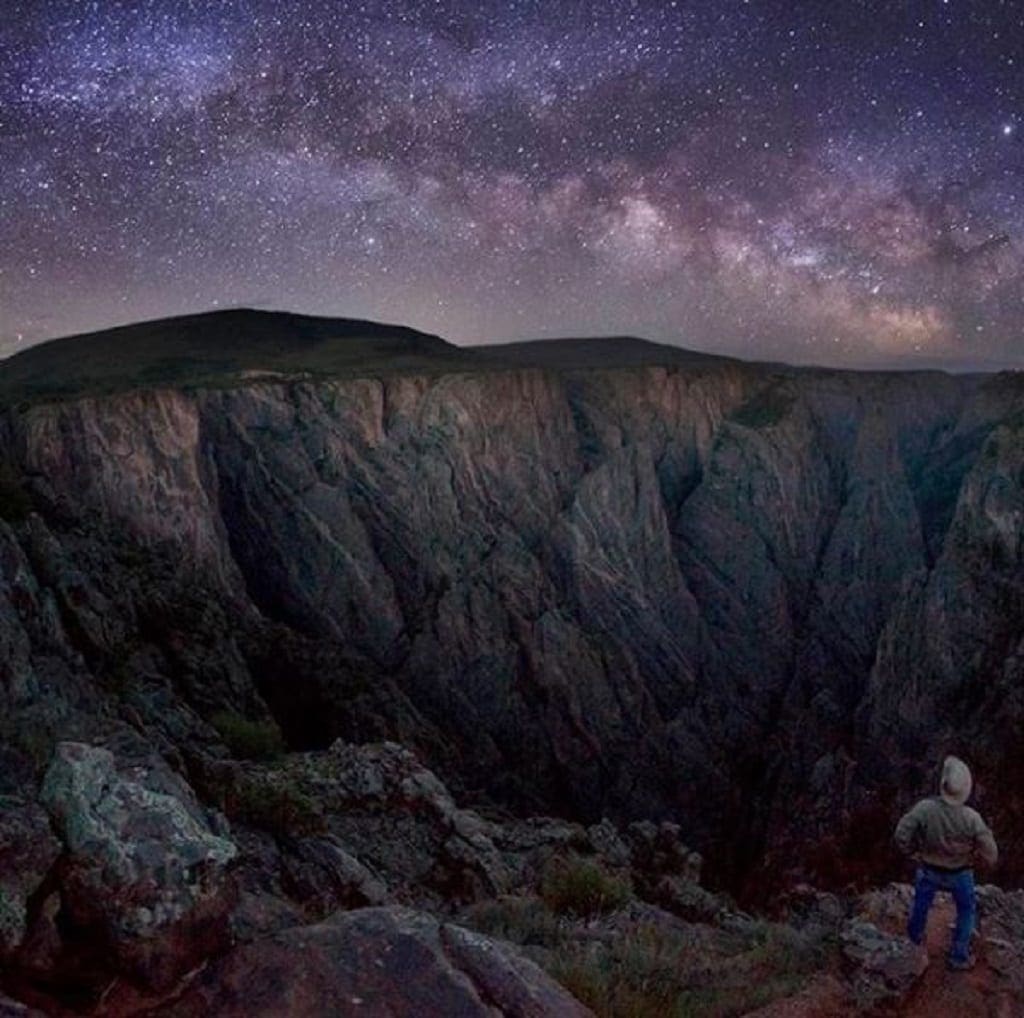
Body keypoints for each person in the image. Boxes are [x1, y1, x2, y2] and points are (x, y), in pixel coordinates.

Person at [894, 755, 998, 971]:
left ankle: (913, 946)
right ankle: (958, 956)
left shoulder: (925, 809)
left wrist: (912, 853)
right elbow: (991, 853)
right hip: (960, 872)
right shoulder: (972, 818)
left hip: (929, 869)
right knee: (966, 910)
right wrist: (981, 862)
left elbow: (901, 834)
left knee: (921, 905)